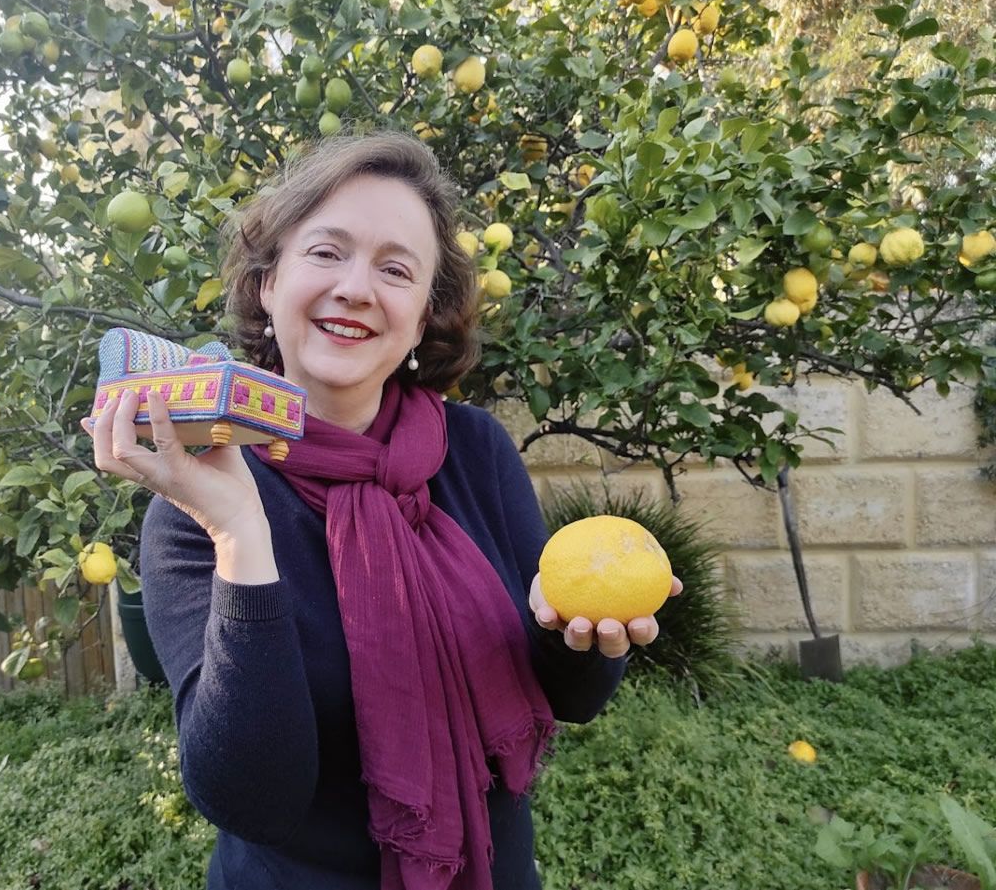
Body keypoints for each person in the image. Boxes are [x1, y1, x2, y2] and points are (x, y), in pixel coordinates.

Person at [83, 130, 682, 890]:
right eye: (326, 252)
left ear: (425, 312)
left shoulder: (472, 450)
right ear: (268, 283)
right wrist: (241, 535)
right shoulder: (199, 498)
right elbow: (252, 799)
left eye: (395, 268)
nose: (357, 288)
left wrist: (580, 635)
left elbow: (572, 695)